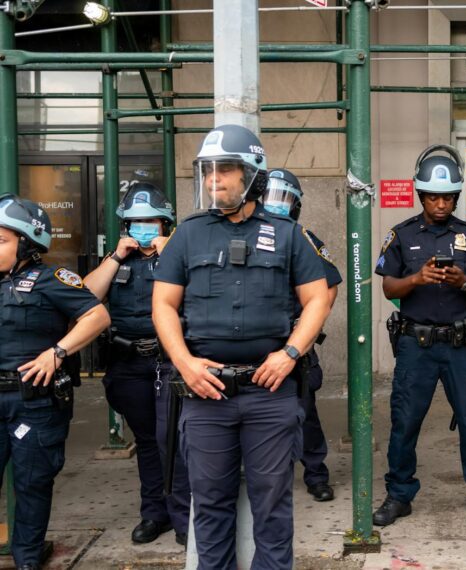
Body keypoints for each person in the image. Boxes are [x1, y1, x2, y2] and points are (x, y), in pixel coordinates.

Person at [152, 125, 330, 568]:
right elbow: (163, 305)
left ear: (252, 175)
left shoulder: (288, 235)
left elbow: (318, 299)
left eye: (225, 170)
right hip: (204, 392)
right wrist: (185, 363)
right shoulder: (188, 234)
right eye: (208, 171)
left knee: (272, 506)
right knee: (210, 504)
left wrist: (290, 353)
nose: (214, 180)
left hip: (269, 393)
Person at [372, 144, 466, 528]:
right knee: (405, 421)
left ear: (456, 197)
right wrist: (417, 279)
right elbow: (389, 289)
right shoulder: (401, 236)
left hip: (460, 346)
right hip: (415, 346)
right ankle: (399, 495)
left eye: (448, 197)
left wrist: (463, 280)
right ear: (421, 195)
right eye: (433, 196)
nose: (441, 204)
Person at [0, 194, 110, 570]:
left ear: (28, 243)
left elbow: (96, 316)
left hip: (33, 401)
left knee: (32, 485)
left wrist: (57, 352)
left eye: (2, 240)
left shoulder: (52, 279)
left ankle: (27, 559)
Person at [82, 183, 191, 546]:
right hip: (128, 363)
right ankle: (153, 513)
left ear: (165, 224)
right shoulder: (117, 261)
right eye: (135, 223)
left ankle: (183, 516)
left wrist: (171, 253)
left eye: (151, 221)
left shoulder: (179, 254)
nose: (143, 228)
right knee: (147, 441)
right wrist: (114, 257)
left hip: (168, 362)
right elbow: (83, 298)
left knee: (173, 439)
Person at [263, 168, 342, 502]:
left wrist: (308, 329)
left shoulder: (303, 237)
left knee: (304, 413)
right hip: (255, 343)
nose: (277, 205)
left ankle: (315, 474)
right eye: (271, 197)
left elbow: (331, 286)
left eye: (285, 199)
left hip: (294, 344)